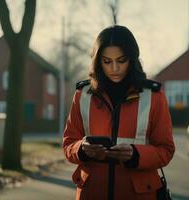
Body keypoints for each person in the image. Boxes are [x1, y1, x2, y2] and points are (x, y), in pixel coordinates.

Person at [63, 25, 175, 200]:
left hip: (139, 195)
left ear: (132, 59)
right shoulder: (82, 95)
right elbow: (68, 144)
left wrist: (137, 155)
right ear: (98, 61)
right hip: (92, 193)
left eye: (121, 60)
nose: (114, 68)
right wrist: (82, 150)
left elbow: (166, 150)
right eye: (107, 61)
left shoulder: (154, 97)